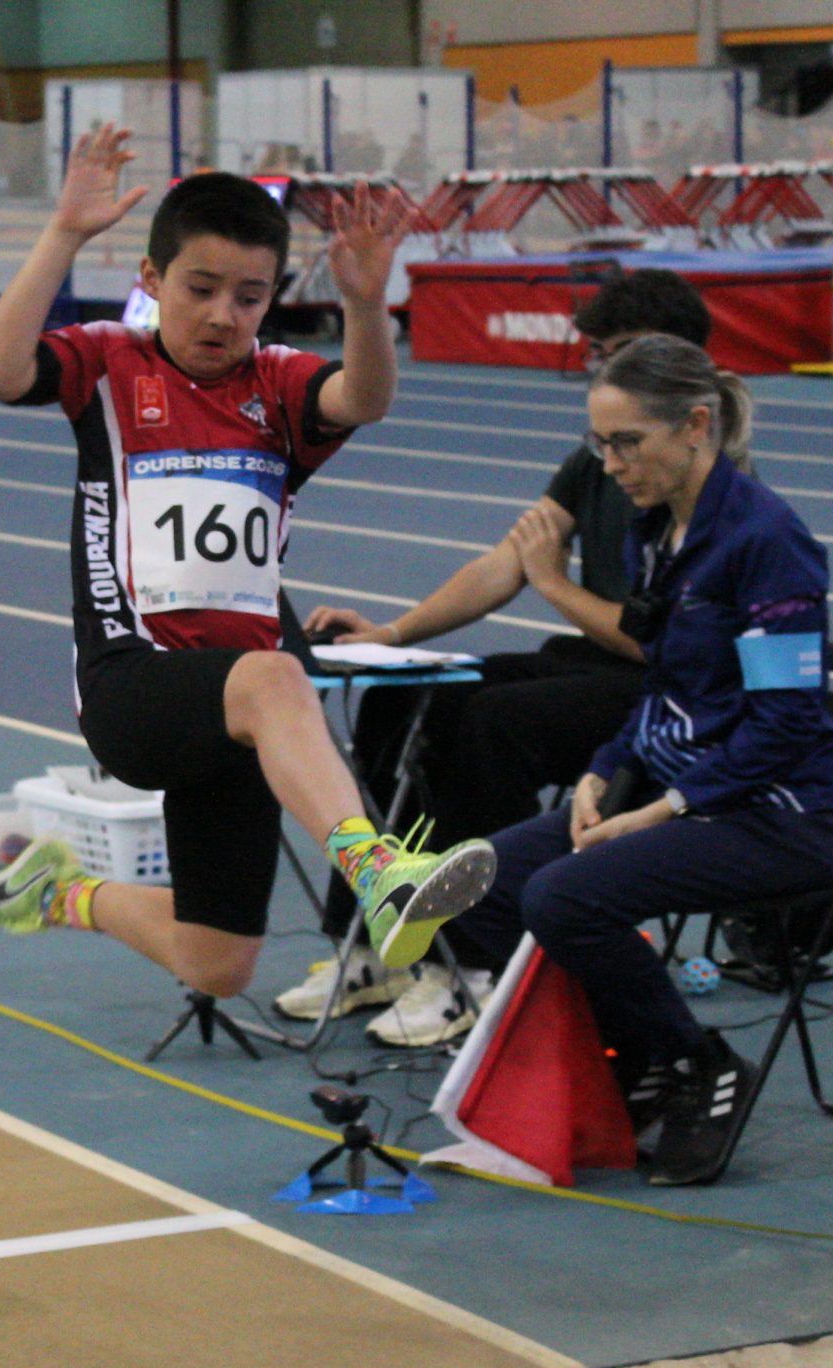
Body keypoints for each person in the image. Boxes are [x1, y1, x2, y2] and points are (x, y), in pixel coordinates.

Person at [0, 129, 496, 1000]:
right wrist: (65, 232)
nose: (221, 315)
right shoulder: (110, 363)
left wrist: (365, 305)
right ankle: (378, 869)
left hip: (244, 712)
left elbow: (364, 397)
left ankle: (58, 890)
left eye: (248, 297)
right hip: (135, 683)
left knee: (217, 963)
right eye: (199, 290)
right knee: (280, 673)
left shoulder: (277, 383)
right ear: (152, 280)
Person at [445, 334, 833, 1188]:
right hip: (676, 789)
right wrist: (602, 770)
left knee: (564, 895)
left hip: (774, 814)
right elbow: (664, 683)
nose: (611, 464)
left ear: (696, 425)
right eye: (600, 443)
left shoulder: (766, 541)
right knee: (474, 883)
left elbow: (784, 723)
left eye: (627, 442)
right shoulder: (657, 533)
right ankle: (632, 1059)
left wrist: (665, 808)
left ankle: (697, 1061)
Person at [285, 269, 712, 1046]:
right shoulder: (599, 458)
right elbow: (507, 563)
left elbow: (661, 643)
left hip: (667, 695)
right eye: (600, 356)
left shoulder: (707, 482)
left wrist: (556, 584)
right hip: (590, 663)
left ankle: (479, 963)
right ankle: (379, 940)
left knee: (493, 723)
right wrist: (390, 635)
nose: (605, 374)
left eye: (618, 353)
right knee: (403, 699)